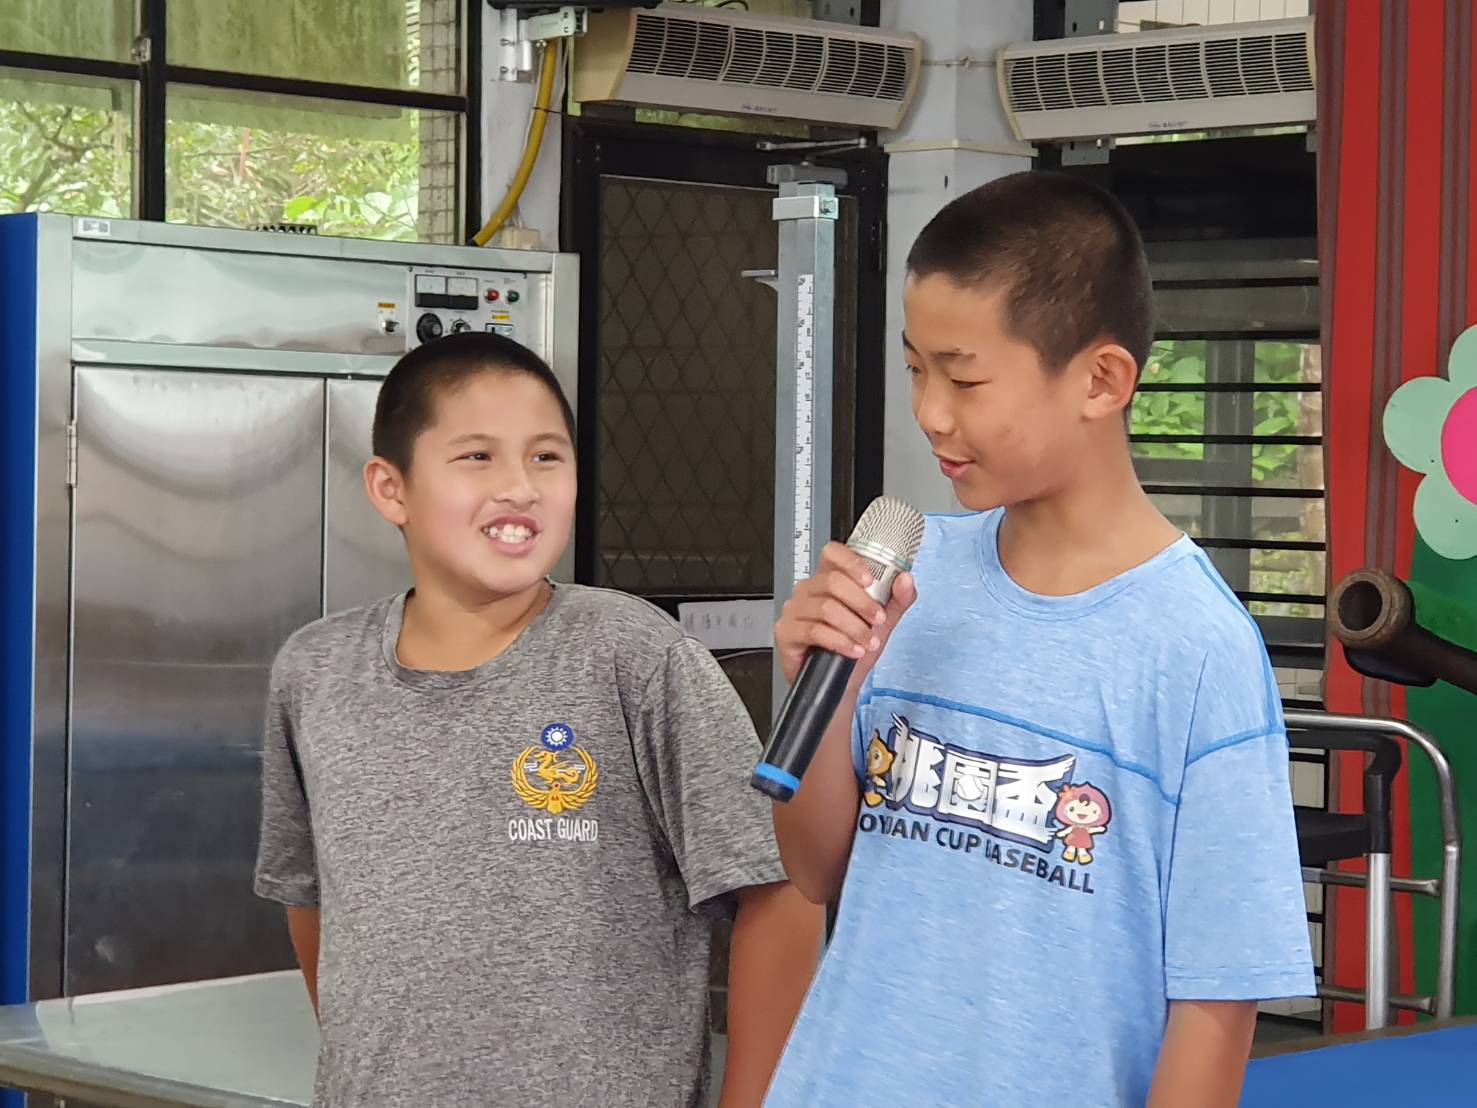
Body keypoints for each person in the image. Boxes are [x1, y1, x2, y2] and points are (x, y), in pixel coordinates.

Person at [764, 172, 1314, 1107]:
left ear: (1101, 380)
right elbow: (816, 870)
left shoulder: (1196, 646)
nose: (931, 411)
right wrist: (832, 687)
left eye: (965, 377)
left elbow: (1217, 1003)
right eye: (915, 369)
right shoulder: (911, 572)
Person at [254, 331, 823, 1107]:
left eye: (546, 457)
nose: (519, 487)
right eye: (477, 457)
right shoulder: (315, 672)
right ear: (391, 489)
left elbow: (778, 892)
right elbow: (310, 897)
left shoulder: (633, 657)